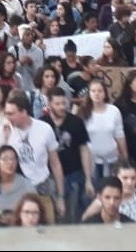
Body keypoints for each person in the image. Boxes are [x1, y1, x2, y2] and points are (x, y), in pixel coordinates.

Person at [0, 90, 66, 220]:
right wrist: (5, 139)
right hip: (16, 189)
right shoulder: (4, 129)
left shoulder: (44, 129)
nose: (7, 117)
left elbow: (55, 164)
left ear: (24, 112)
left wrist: (60, 197)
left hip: (42, 186)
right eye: (6, 113)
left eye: (11, 114)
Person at [41, 87, 94, 223]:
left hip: (73, 175)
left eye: (64, 103)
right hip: (49, 177)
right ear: (49, 104)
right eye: (57, 104)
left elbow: (84, 150)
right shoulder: (42, 123)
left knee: (72, 216)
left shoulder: (76, 122)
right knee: (51, 216)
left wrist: (88, 178)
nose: (62, 107)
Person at [78, 79, 128, 180]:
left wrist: (125, 157)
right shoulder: (83, 113)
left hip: (113, 159)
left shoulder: (114, 111)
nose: (97, 94)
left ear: (105, 93)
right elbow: (81, 141)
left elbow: (119, 135)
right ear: (89, 93)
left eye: (100, 91)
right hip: (92, 161)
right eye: (93, 91)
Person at [81, 159, 136, 223]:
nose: (129, 183)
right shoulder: (101, 202)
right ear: (115, 176)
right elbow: (86, 223)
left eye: (133, 178)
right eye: (125, 178)